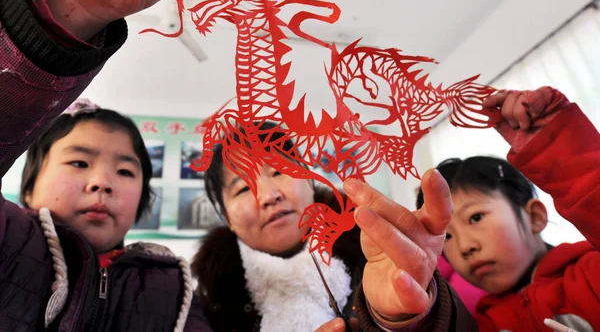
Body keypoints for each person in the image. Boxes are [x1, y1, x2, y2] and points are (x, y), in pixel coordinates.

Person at [0, 0, 216, 331]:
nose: (103, 183)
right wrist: (84, 6)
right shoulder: (9, 241)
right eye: (79, 163)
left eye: (125, 170)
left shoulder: (177, 292)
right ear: (28, 185)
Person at [349, 87, 600, 331]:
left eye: (476, 217)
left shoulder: (590, 274)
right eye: (447, 236)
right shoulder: (484, 323)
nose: (465, 247)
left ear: (534, 216)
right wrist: (401, 316)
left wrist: (557, 146)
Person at [191, 121, 458, 332]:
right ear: (227, 218)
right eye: (242, 189)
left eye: (279, 171)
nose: (269, 195)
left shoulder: (379, 249)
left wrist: (406, 318)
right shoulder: (207, 305)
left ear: (309, 180)